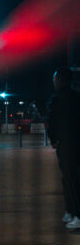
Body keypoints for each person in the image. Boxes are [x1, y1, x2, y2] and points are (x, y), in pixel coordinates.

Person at [46, 66, 80, 230]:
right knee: (72, 178)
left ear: (60, 80)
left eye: (55, 79)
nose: (54, 82)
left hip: (66, 144)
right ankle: (71, 211)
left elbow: (52, 122)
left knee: (70, 179)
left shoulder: (57, 99)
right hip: (76, 143)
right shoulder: (76, 97)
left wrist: (54, 139)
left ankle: (76, 213)